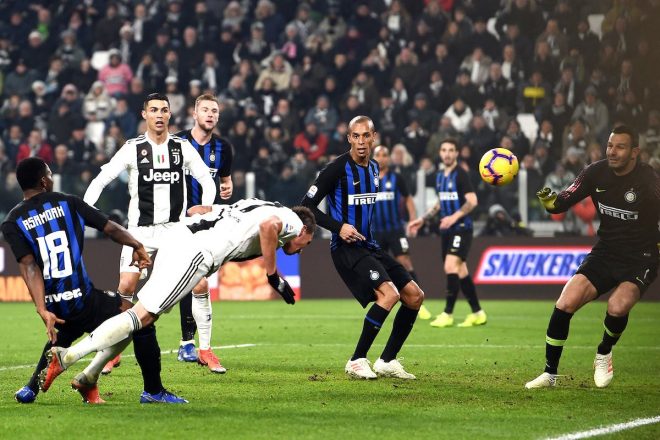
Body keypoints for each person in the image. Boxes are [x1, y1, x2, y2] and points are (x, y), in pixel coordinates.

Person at [39, 199, 316, 393]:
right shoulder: (293, 221)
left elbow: (198, 210)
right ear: (305, 230)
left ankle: (89, 376)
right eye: (308, 242)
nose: (303, 248)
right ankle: (68, 357)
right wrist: (273, 276)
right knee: (142, 316)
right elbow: (269, 227)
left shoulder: (257, 204)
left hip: (179, 235)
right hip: (197, 253)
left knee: (142, 316)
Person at [2, 158, 185, 405]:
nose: (52, 177)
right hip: (82, 298)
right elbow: (110, 228)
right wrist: (137, 245)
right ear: (44, 181)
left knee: (68, 329)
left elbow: (29, 266)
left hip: (55, 305)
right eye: (50, 173)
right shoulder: (69, 203)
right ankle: (153, 390)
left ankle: (32, 388)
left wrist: (42, 309)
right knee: (140, 320)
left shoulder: (12, 221)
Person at [82, 93, 216, 373]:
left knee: (200, 285)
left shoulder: (181, 147)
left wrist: (206, 207)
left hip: (175, 232)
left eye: (164, 110)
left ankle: (205, 350)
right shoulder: (132, 148)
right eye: (153, 110)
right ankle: (113, 350)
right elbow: (101, 179)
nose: (159, 115)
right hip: (139, 233)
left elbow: (206, 179)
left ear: (169, 115)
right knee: (126, 287)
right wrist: (86, 211)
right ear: (144, 114)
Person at [526, 125, 659, 389]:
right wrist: (549, 201)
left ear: (635, 152)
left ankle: (604, 352)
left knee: (617, 307)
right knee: (565, 303)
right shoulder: (595, 172)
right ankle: (550, 374)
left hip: (641, 256)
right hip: (606, 251)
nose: (612, 151)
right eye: (610, 145)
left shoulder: (648, 179)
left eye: (620, 147)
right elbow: (562, 201)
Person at [301, 115, 424, 380]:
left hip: (370, 245)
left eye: (365, 135)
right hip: (345, 248)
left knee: (414, 296)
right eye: (355, 136)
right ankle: (357, 359)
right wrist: (339, 227)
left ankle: (387, 360)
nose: (360, 141)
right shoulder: (336, 169)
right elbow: (305, 206)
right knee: (389, 294)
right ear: (349, 139)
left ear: (373, 137)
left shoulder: (374, 168)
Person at [175, 94, 234, 372]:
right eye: (206, 110)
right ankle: (189, 343)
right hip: (173, 222)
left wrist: (227, 188)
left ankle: (190, 344)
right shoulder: (176, 143)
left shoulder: (224, 148)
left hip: (204, 226)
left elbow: (226, 182)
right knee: (192, 281)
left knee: (196, 281)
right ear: (194, 113)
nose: (211, 114)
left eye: (215, 111)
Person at [408, 139, 487, 328]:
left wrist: (453, 217)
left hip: (461, 228)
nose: (447, 154)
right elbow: (440, 203)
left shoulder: (461, 174)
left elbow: (472, 201)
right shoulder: (439, 176)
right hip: (447, 230)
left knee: (450, 266)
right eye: (444, 150)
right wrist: (423, 219)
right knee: (461, 270)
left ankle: (448, 313)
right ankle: (478, 313)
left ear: (457, 153)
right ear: (440, 153)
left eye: (451, 150)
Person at [371, 145, 430, 320]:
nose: (381, 158)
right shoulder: (368, 179)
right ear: (373, 158)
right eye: (378, 155)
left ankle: (419, 302)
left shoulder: (396, 178)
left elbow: (408, 199)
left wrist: (412, 220)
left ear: (388, 158)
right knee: (377, 267)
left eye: (384, 155)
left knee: (405, 262)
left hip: (395, 230)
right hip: (375, 232)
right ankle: (383, 301)